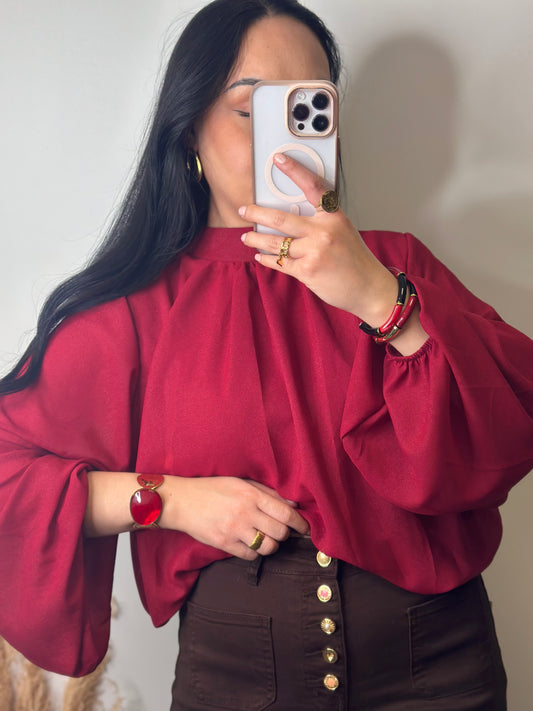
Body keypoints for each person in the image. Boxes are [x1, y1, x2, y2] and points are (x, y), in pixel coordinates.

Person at [0, 0, 532, 709]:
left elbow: (507, 427)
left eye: (307, 109)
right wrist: (170, 499)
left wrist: (378, 296)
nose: (281, 140)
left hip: (443, 671)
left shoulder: (398, 266)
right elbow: (9, 475)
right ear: (189, 125)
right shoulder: (137, 309)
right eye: (252, 109)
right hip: (236, 679)